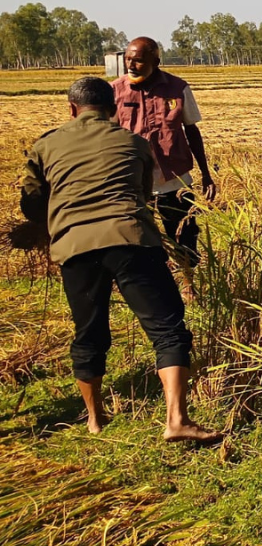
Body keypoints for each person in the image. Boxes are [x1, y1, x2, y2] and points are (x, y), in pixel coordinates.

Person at [19, 77, 220, 443]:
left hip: (75, 248)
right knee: (167, 328)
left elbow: (32, 203)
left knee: (89, 332)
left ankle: (95, 419)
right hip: (131, 240)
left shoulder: (45, 145)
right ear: (113, 109)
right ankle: (176, 420)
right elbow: (143, 195)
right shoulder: (136, 143)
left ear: (72, 109)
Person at [112, 37, 216, 284]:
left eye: (138, 60)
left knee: (183, 234)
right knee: (135, 235)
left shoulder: (177, 88)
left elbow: (191, 130)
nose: (131, 65)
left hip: (174, 179)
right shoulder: (114, 90)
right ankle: (147, 283)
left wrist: (206, 174)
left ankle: (188, 280)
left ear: (156, 61)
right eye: (128, 59)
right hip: (133, 179)